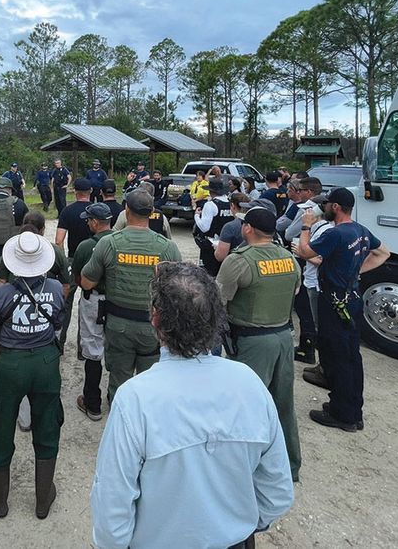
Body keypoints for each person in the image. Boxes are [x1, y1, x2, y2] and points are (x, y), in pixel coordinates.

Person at [90, 261, 293, 548]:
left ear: (155, 319)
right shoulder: (250, 384)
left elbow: (113, 502)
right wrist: (236, 526)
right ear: (216, 318)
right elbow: (278, 491)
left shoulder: (134, 399)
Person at [0, 232, 66, 520]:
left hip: (10, 363)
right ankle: (43, 500)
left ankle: (0, 499)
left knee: (1, 424)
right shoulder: (54, 287)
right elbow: (59, 321)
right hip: (45, 360)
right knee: (48, 422)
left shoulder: (4, 293)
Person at [217, 207, 303, 481]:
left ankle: (239, 471)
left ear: (247, 229)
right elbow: (296, 288)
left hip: (252, 341)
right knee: (282, 404)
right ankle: (289, 466)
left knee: (245, 406)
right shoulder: (289, 258)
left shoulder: (240, 260)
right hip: (283, 338)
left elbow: (219, 300)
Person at [293, 187, 389, 431]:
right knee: (350, 354)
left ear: (335, 207)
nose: (323, 208)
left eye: (327, 204)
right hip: (352, 298)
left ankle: (344, 415)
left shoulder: (336, 234)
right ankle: (351, 407)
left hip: (334, 301)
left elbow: (305, 252)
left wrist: (305, 226)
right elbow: (382, 253)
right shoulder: (360, 230)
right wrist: (356, 272)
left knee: (338, 357)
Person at [80, 190, 182, 403]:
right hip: (153, 326)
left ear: (126, 211)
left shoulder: (109, 243)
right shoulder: (168, 248)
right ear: (152, 212)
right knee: (151, 379)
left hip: (118, 325)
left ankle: (121, 419)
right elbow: (176, 290)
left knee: (119, 378)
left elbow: (87, 282)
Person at [71, 203, 113, 420]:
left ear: (96, 223)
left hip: (94, 299)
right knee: (116, 350)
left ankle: (92, 403)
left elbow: (78, 277)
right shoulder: (119, 241)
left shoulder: (86, 246)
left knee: (93, 349)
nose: (87, 222)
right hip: (117, 300)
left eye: (88, 220)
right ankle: (114, 398)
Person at [281, 177, 325, 364]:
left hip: (311, 274)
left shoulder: (318, 225)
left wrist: (304, 253)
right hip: (311, 274)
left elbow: (289, 233)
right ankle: (308, 346)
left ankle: (308, 349)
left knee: (307, 312)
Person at [55, 177, 94, 349]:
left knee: (66, 301)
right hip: (94, 259)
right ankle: (83, 347)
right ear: (90, 192)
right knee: (89, 302)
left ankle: (60, 342)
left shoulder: (67, 211)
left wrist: (63, 262)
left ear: (75, 192)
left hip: (72, 259)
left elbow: (58, 240)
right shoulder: (97, 211)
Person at [193, 177, 233, 276]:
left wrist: (197, 216)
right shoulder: (231, 204)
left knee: (207, 275)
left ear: (210, 191)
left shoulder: (210, 205)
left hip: (210, 245)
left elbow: (204, 227)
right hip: (227, 244)